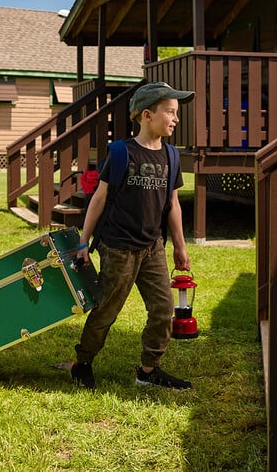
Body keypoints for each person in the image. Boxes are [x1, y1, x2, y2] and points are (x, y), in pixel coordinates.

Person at [71, 82, 194, 390]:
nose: (175, 119)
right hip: (119, 247)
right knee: (107, 309)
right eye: (170, 112)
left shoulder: (171, 156)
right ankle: (82, 362)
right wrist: (84, 242)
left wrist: (179, 247)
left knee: (163, 308)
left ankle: (150, 370)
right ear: (147, 115)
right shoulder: (121, 153)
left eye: (176, 113)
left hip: (152, 246)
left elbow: (173, 204)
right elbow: (99, 198)